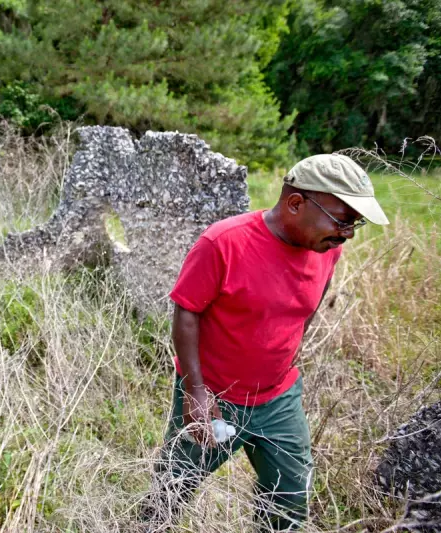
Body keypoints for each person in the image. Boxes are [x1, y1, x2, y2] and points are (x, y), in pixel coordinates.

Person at [144, 154, 389, 531]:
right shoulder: (224, 242)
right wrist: (195, 391)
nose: (347, 233)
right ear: (295, 204)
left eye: (355, 225)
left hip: (278, 399)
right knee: (172, 489)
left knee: (289, 500)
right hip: (213, 398)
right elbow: (187, 311)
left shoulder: (327, 247)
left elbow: (308, 305)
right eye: (343, 220)